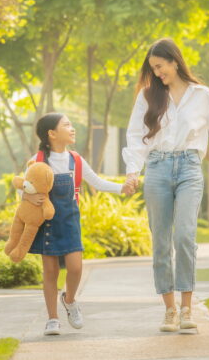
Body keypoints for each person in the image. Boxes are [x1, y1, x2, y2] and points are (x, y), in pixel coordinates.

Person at [123, 38, 209, 332]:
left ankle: (187, 308)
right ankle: (169, 310)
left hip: (189, 168)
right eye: (153, 69)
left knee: (184, 235)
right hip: (156, 168)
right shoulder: (148, 96)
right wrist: (133, 171)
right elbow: (136, 135)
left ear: (174, 61)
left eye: (160, 66)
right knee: (160, 241)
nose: (157, 73)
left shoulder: (203, 96)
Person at [20, 112, 135, 336]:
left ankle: (69, 300)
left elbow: (98, 183)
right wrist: (29, 198)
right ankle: (52, 319)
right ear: (51, 133)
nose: (72, 128)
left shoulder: (76, 160)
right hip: (46, 222)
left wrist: (122, 187)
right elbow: (24, 188)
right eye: (67, 125)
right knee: (50, 271)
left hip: (70, 220)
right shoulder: (38, 161)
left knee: (75, 268)